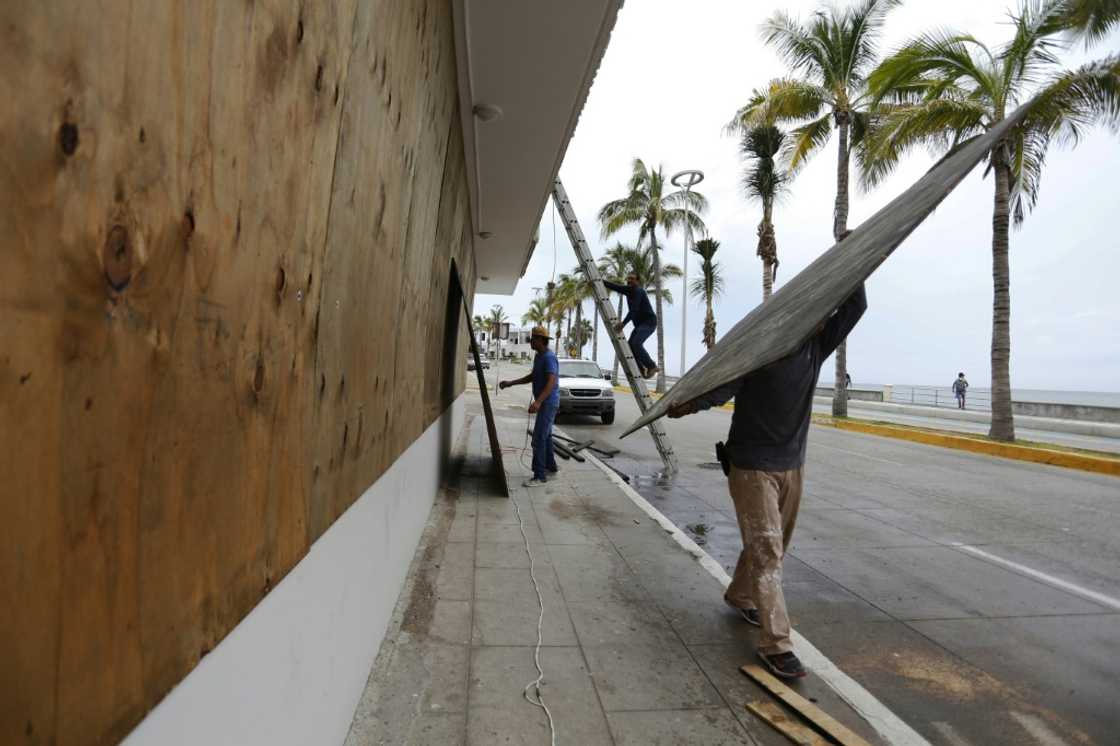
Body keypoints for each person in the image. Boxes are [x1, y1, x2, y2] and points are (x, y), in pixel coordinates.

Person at [668, 284, 868, 679]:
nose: (819, 320)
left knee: (771, 545)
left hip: (792, 465)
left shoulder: (815, 348)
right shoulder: (760, 355)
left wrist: (855, 259)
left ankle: (740, 593)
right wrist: (687, 404)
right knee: (768, 550)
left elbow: (855, 305)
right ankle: (776, 644)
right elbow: (720, 388)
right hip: (752, 466)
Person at [498, 326, 560, 487]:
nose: (530, 341)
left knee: (538, 438)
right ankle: (551, 467)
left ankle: (539, 476)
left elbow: (551, 382)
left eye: (532, 338)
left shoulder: (549, 357)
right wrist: (511, 383)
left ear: (540, 340)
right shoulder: (539, 357)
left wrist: (538, 402)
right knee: (546, 436)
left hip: (548, 403)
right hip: (545, 402)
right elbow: (533, 376)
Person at [603, 273, 659, 379]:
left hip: (649, 323)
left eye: (632, 279)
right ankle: (642, 370)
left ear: (637, 281)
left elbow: (634, 310)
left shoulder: (639, 291)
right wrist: (599, 280)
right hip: (639, 325)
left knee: (636, 344)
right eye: (628, 278)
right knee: (630, 346)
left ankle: (652, 366)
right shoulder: (628, 290)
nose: (629, 280)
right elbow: (614, 286)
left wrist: (623, 324)